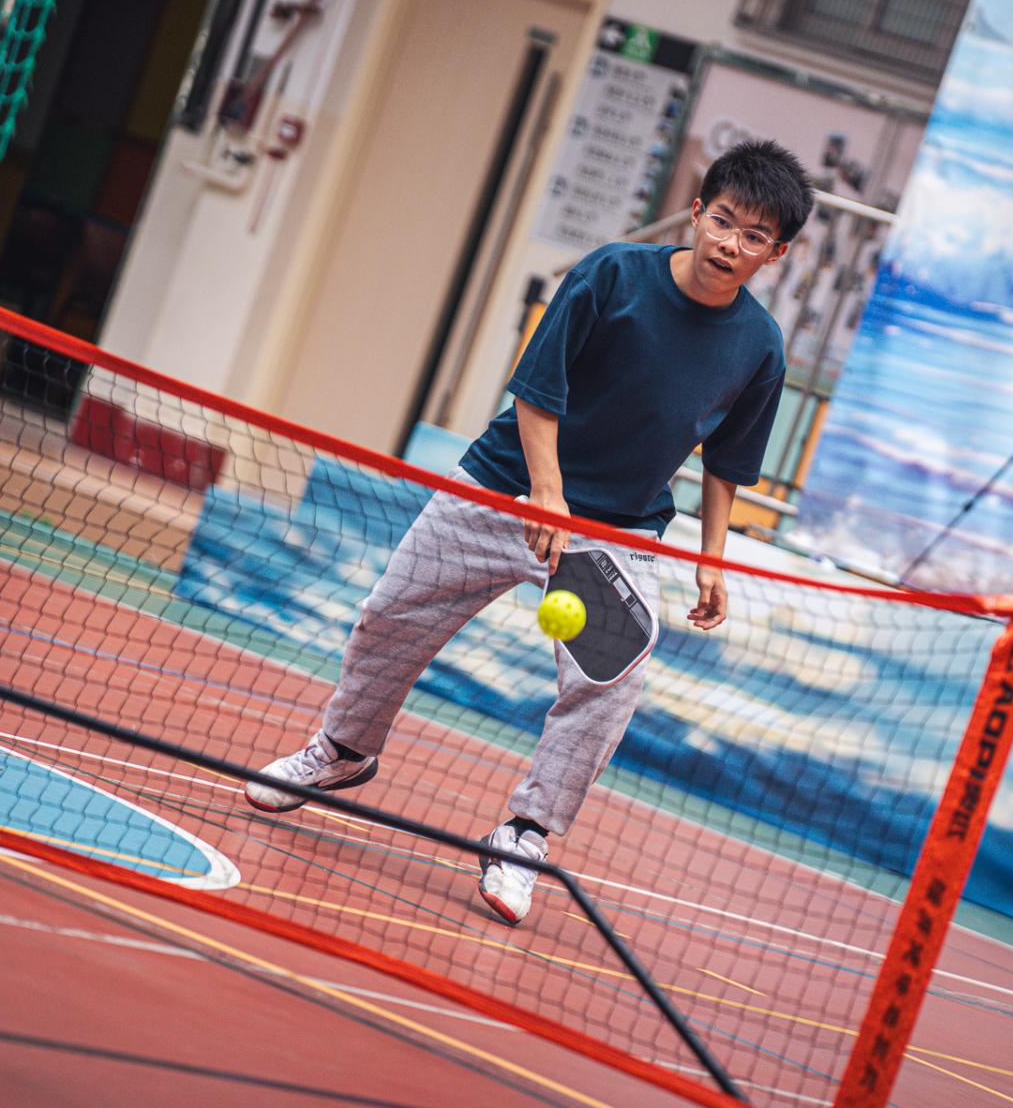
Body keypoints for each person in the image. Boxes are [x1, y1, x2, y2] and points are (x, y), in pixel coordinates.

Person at [245, 139, 815, 925]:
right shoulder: (612, 274)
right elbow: (539, 389)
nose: (730, 243)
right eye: (723, 221)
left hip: (615, 529)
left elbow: (727, 460)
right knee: (389, 617)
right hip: (507, 485)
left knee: (609, 686)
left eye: (755, 236)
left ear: (778, 252)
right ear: (696, 211)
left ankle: (523, 834)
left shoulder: (760, 347)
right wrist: (546, 495)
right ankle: (343, 751)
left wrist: (711, 561)